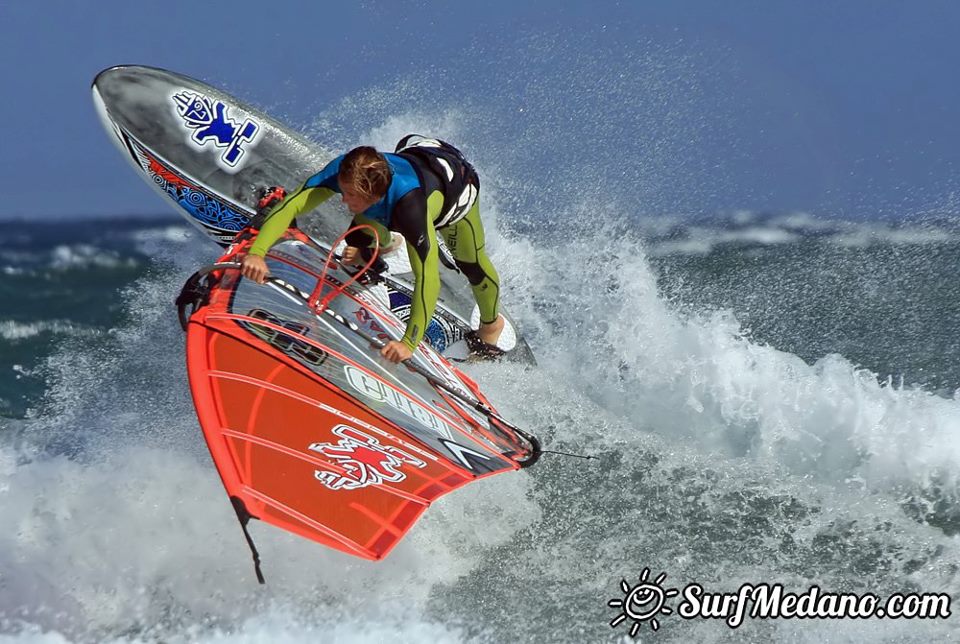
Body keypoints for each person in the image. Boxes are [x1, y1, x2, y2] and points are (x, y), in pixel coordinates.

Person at [240, 135, 505, 364]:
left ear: (373, 196)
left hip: (455, 191)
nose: (342, 199)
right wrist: (257, 253)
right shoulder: (345, 170)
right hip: (417, 156)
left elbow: (428, 277)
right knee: (357, 235)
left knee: (471, 264)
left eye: (350, 195)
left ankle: (491, 326)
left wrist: (408, 343)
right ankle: (386, 244)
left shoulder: (410, 209)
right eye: (344, 191)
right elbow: (292, 204)